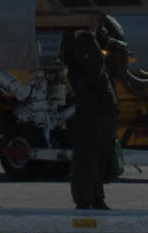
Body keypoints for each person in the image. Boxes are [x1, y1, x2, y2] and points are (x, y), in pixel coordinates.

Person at [57, 13, 132, 215]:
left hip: (96, 95)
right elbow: (94, 70)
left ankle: (96, 197)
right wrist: (110, 100)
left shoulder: (91, 17)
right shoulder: (78, 22)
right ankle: (84, 199)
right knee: (87, 150)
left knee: (98, 149)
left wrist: (114, 44)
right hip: (90, 95)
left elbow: (103, 36)